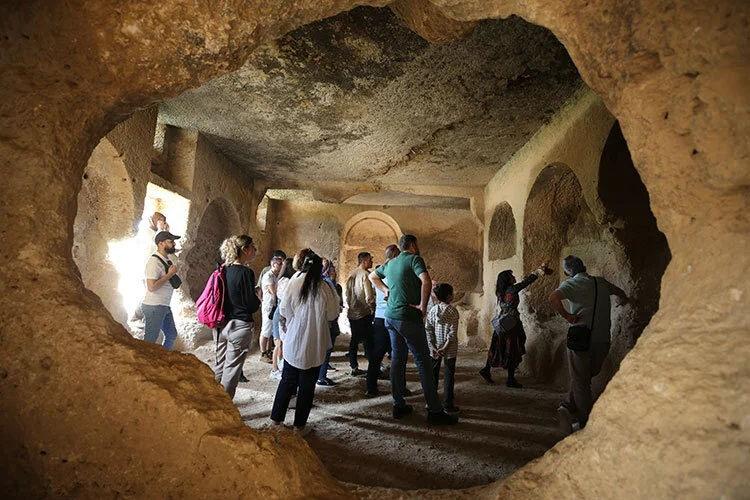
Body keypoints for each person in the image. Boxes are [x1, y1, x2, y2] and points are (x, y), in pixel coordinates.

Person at [369, 234, 457, 425]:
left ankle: (398, 405)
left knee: (398, 360)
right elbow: (426, 281)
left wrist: (385, 291)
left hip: (390, 317)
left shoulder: (391, 262)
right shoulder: (415, 259)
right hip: (408, 317)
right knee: (424, 363)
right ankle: (435, 411)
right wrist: (423, 307)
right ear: (413, 245)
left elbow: (372, 275)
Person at [549, 255, 629, 434]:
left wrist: (568, 316)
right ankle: (568, 405)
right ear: (584, 266)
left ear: (568, 272)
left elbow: (553, 298)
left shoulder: (572, 284)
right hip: (602, 338)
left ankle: (586, 423)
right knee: (584, 377)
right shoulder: (600, 282)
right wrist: (623, 300)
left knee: (581, 381)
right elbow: (619, 292)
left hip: (580, 339)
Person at [271, 252, 340, 434]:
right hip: (315, 342)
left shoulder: (294, 281)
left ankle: (276, 422)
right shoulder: (325, 287)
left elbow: (284, 310)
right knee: (307, 388)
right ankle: (299, 427)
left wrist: (297, 320)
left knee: (287, 382)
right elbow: (333, 314)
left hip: (295, 339)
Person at [479, 263, 549, 387]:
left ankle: (486, 369)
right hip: (512, 323)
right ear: (508, 279)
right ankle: (510, 380)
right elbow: (526, 282)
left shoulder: (500, 292)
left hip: (501, 322)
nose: (514, 277)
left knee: (497, 347)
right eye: (511, 276)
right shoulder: (511, 289)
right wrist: (538, 271)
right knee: (512, 349)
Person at [214, 235, 260, 398]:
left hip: (220, 324)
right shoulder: (246, 273)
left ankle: (211, 401)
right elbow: (251, 304)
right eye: (253, 247)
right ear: (245, 250)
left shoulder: (222, 269)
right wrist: (258, 297)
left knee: (219, 367)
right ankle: (224, 408)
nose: (255, 250)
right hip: (239, 325)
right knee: (231, 371)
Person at [366, 244, 401, 397]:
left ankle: (371, 387)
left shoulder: (379, 273)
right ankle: (399, 388)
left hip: (379, 317)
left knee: (376, 354)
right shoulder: (396, 272)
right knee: (398, 354)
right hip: (393, 316)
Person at [141, 230, 182, 350]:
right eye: (170, 242)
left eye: (173, 242)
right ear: (161, 243)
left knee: (171, 334)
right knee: (150, 340)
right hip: (154, 306)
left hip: (163, 305)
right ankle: (144, 365)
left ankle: (162, 360)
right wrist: (169, 275)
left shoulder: (165, 260)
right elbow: (151, 287)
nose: (173, 244)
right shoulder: (154, 262)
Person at [426, 283, 460, 412]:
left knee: (433, 374)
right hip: (449, 349)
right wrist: (445, 347)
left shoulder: (433, 310)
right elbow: (452, 333)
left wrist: (433, 346)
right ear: (449, 296)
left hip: (434, 348)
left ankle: (431, 402)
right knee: (449, 375)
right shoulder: (453, 311)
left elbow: (428, 329)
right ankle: (448, 404)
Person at [345, 251, 376, 377]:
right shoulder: (365, 275)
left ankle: (354, 366)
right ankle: (374, 368)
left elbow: (347, 294)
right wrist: (372, 308)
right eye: (370, 260)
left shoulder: (351, 274)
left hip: (352, 313)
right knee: (369, 341)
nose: (372, 262)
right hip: (363, 314)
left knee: (354, 340)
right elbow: (369, 296)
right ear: (364, 261)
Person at [317, 258, 343, 386]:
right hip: (327, 322)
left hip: (328, 321)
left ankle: (321, 374)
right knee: (325, 349)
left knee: (326, 349)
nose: (332, 271)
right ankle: (321, 376)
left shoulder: (328, 283)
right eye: (329, 268)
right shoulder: (324, 283)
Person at [270, 257, 294, 380]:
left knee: (282, 344)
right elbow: (284, 299)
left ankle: (280, 366)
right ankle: (274, 369)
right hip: (280, 313)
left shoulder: (284, 279)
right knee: (278, 343)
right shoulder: (285, 281)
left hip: (282, 312)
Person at [259, 251, 285, 363]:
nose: (280, 267)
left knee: (270, 331)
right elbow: (273, 292)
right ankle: (263, 353)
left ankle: (268, 351)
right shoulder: (268, 276)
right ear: (274, 264)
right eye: (279, 265)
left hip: (273, 305)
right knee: (265, 330)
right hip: (268, 306)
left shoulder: (275, 276)